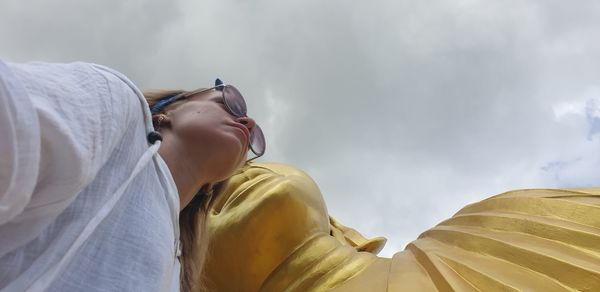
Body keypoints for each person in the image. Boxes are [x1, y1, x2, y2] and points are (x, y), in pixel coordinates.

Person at [0, 59, 264, 291]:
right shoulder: (120, 109)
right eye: (228, 104)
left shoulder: (178, 271)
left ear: (211, 187)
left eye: (252, 138)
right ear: (167, 111)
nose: (248, 122)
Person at [194, 162, 600, 291]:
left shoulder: (498, 225)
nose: (216, 181)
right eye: (184, 204)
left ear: (343, 229)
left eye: (244, 163)